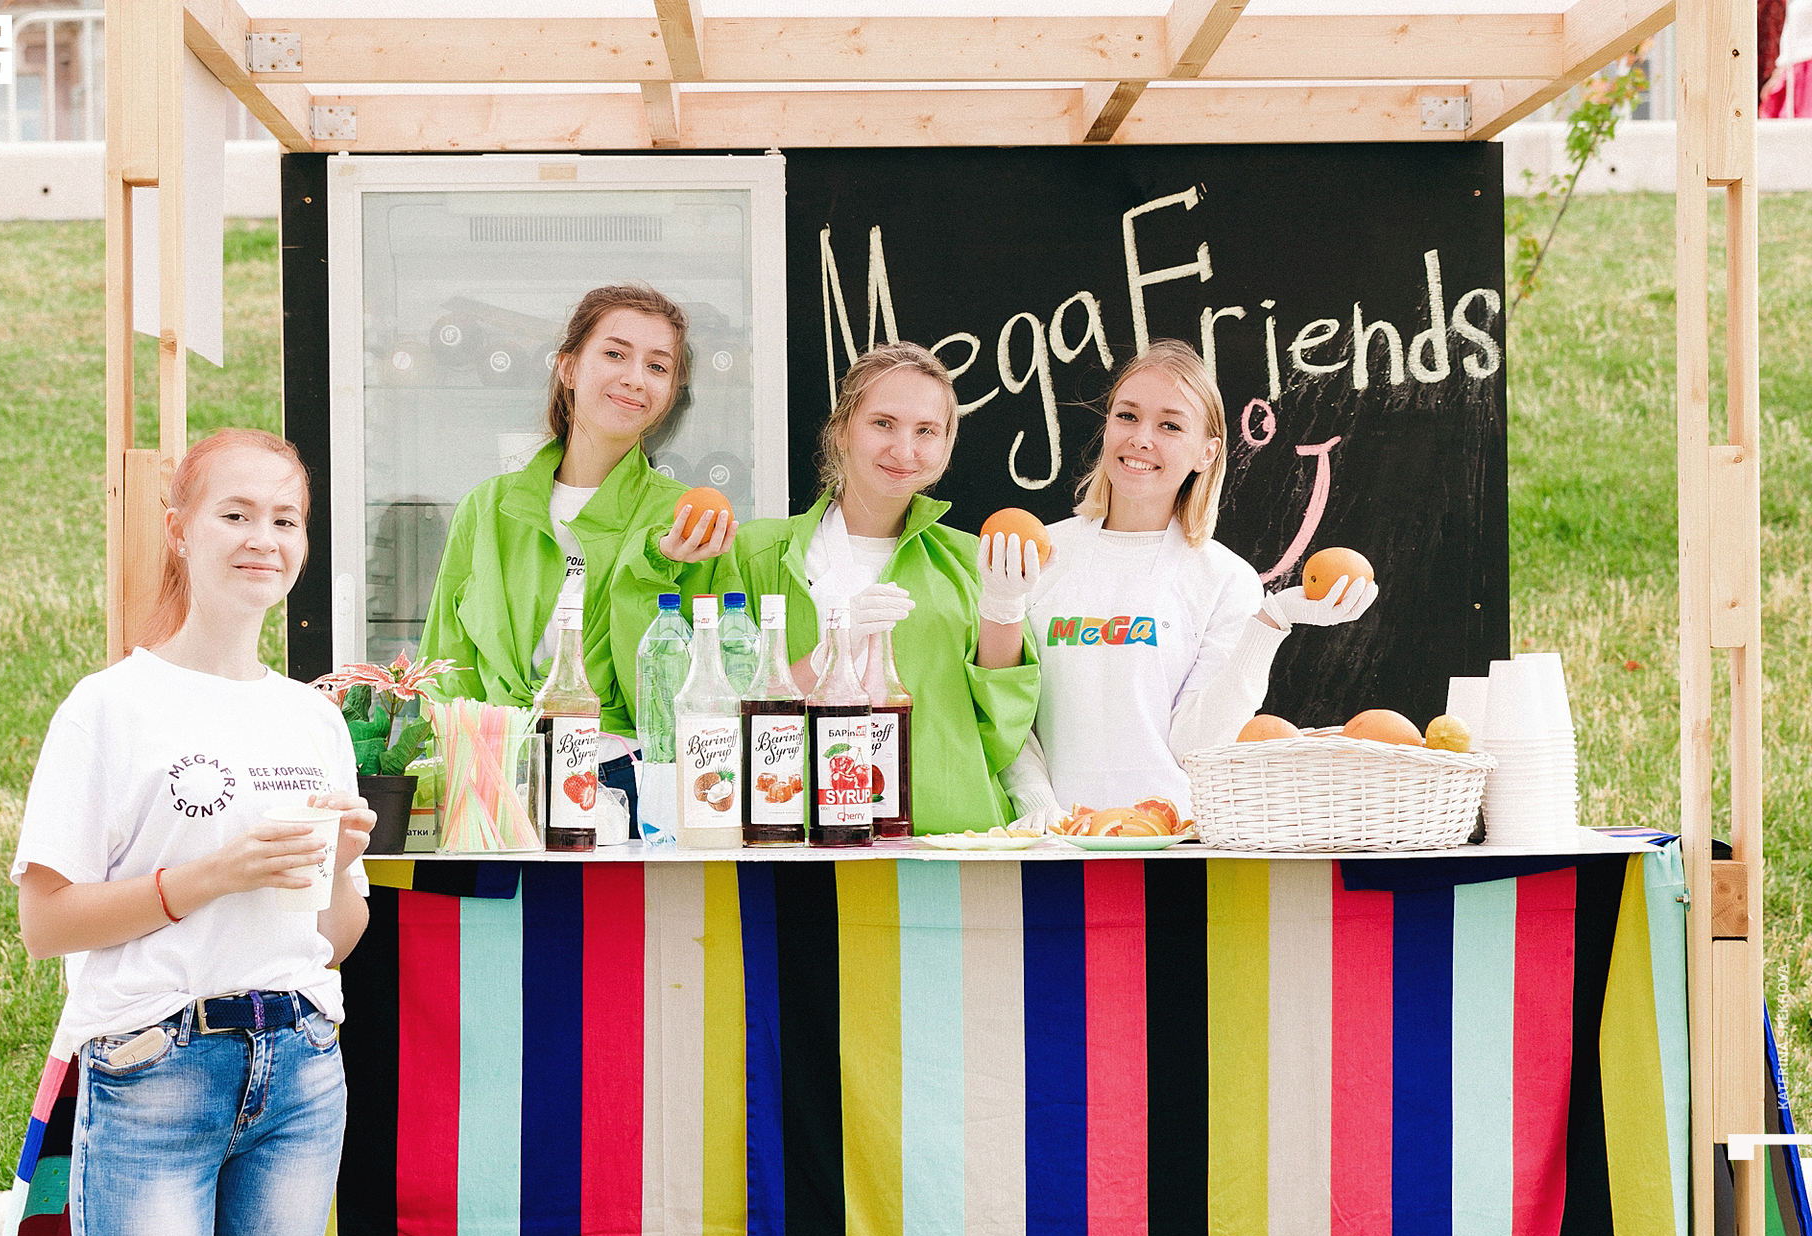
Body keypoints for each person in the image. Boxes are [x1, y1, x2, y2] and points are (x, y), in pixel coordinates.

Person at [12, 428, 376, 1236]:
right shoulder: (110, 708)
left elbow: (333, 938)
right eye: (236, 515)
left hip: (302, 1070)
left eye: (286, 520)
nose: (264, 539)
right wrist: (215, 876)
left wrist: (334, 866)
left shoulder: (314, 718)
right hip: (155, 1071)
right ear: (178, 529)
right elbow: (45, 923)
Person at [1000, 339, 1377, 826]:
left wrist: (1271, 620)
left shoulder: (1225, 580)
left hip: (1177, 840)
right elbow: (1005, 707)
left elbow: (1195, 746)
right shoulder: (1038, 554)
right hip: (1052, 839)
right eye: (1127, 416)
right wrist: (1037, 804)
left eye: (1170, 425)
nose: (1141, 438)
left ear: (1207, 452)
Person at [418, 283, 734, 833]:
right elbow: (445, 670)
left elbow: (700, 696)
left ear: (670, 392)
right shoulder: (487, 509)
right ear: (567, 367)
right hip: (492, 775)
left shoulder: (687, 518)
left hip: (630, 785)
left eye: (657, 367)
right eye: (614, 354)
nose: (635, 378)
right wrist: (447, 783)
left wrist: (653, 567)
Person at [703, 342, 1043, 834]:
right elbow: (721, 721)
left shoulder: (972, 560)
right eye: (883, 423)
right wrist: (826, 658)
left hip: (952, 834)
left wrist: (1005, 605)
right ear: (841, 431)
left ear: (947, 444)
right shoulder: (758, 554)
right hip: (797, 836)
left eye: (926, 431)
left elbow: (1000, 725)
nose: (904, 451)